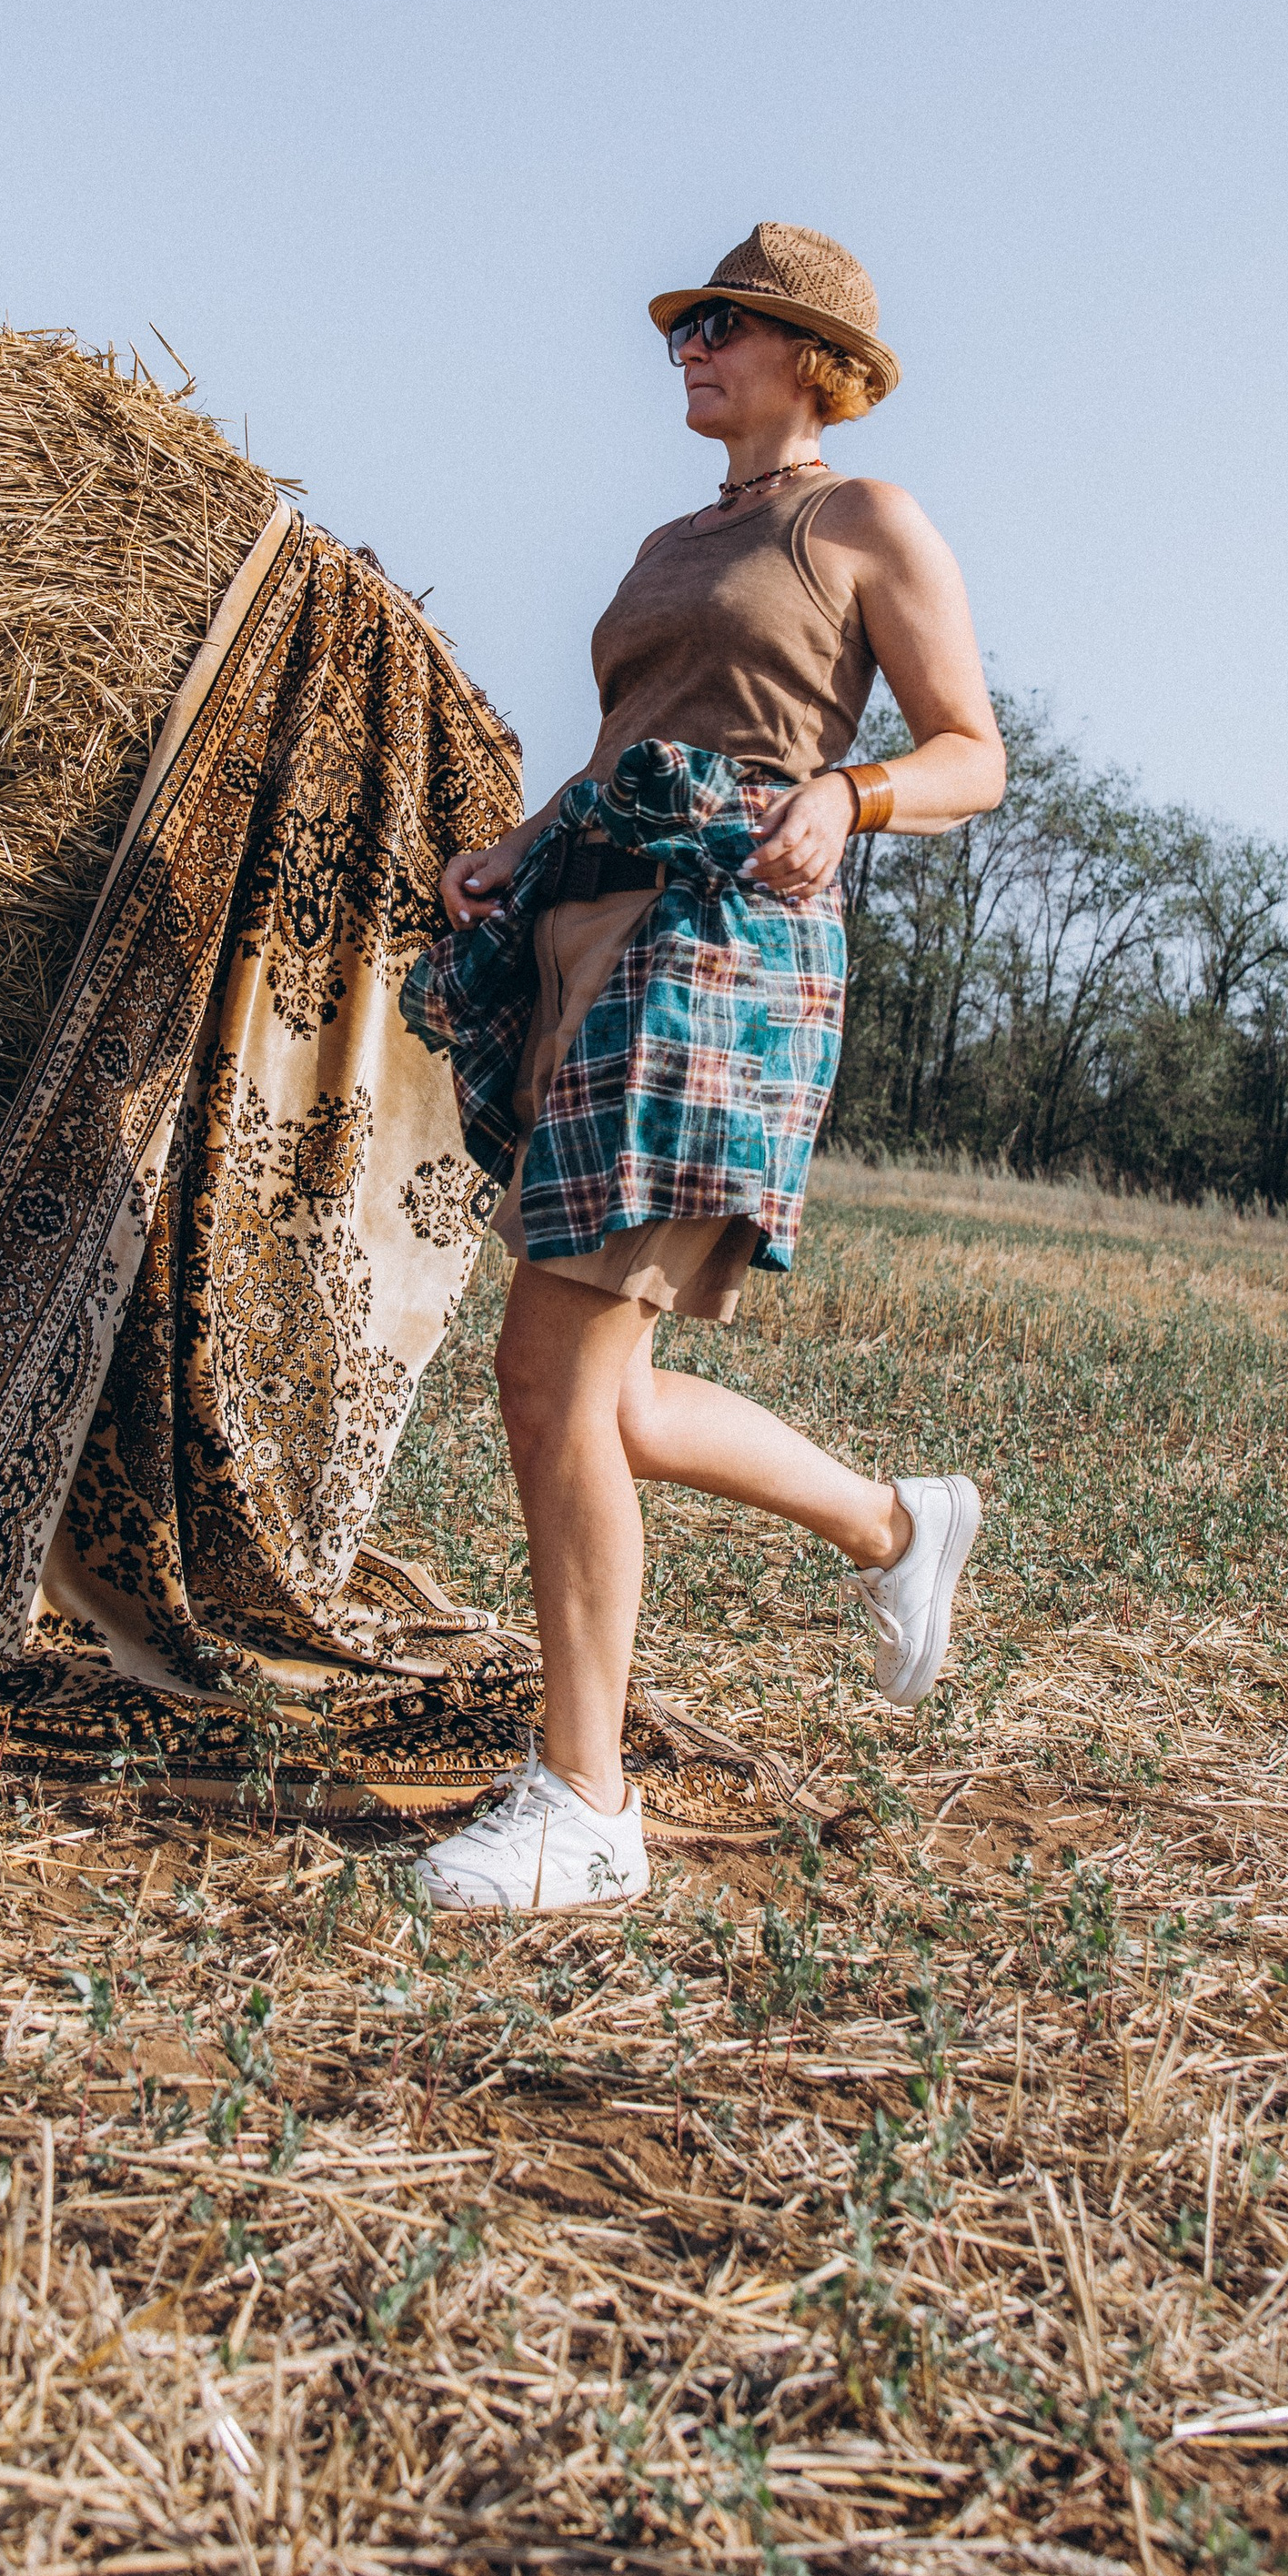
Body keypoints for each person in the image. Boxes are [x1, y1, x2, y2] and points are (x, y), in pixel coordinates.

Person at [403, 224, 1006, 1913]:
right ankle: (899, 1524)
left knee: (548, 1375)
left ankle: (584, 1804)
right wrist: (517, 849)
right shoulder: (676, 539)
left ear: (811, 355)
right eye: (686, 322)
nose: (690, 342)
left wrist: (851, 793)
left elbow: (975, 753)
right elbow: (623, 743)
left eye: (724, 324)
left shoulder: (864, 521)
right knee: (613, 1396)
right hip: (589, 936)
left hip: (725, 941)